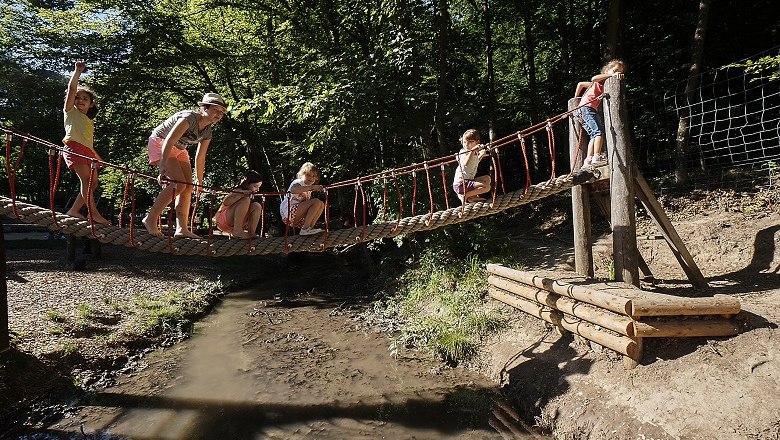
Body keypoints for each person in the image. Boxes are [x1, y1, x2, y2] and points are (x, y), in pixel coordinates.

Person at [142, 92, 228, 238]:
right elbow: (169, 140)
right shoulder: (189, 118)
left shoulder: (207, 131)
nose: (219, 114)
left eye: (221, 112)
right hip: (161, 143)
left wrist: (199, 181)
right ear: (204, 108)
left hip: (180, 149)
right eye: (215, 110)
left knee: (188, 186)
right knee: (178, 184)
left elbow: (200, 157)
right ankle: (150, 218)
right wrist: (162, 166)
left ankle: (182, 228)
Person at [62, 59, 110, 225]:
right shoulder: (70, 112)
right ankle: (93, 213)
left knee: (94, 182)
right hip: (73, 148)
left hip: (86, 151)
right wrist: (77, 72)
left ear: (91, 104)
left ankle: (74, 210)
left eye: (85, 99)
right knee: (86, 180)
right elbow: (72, 89)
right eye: (78, 98)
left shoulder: (88, 121)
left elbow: (88, 143)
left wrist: (98, 157)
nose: (80, 100)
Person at [574, 59, 626, 168]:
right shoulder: (599, 81)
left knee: (594, 134)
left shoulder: (601, 86)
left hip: (583, 109)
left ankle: (588, 160)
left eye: (620, 72)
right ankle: (596, 157)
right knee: (598, 132)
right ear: (607, 70)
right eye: (615, 70)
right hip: (587, 109)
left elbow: (580, 84)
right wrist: (576, 98)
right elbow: (592, 79)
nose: (618, 73)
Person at [280, 162, 326, 235]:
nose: (311, 178)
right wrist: (312, 187)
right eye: (308, 175)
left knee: (321, 204)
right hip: (288, 212)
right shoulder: (299, 182)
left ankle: (310, 228)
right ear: (301, 175)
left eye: (314, 176)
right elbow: (293, 190)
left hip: (297, 216)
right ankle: (305, 229)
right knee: (316, 202)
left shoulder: (308, 189)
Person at [215, 170, 263, 239]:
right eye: (255, 186)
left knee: (257, 206)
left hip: (234, 222)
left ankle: (251, 233)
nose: (257, 190)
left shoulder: (251, 194)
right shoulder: (238, 190)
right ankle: (238, 230)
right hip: (224, 220)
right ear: (247, 184)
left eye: (259, 187)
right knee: (245, 200)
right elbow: (226, 202)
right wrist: (242, 194)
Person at [452, 129, 492, 204]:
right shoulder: (463, 152)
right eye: (464, 142)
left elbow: (474, 163)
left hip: (467, 181)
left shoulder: (474, 153)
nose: (466, 145)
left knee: (487, 178)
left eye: (470, 142)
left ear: (477, 142)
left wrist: (481, 155)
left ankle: (472, 198)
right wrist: (472, 151)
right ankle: (466, 196)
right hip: (461, 184)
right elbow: (465, 163)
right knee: (487, 187)